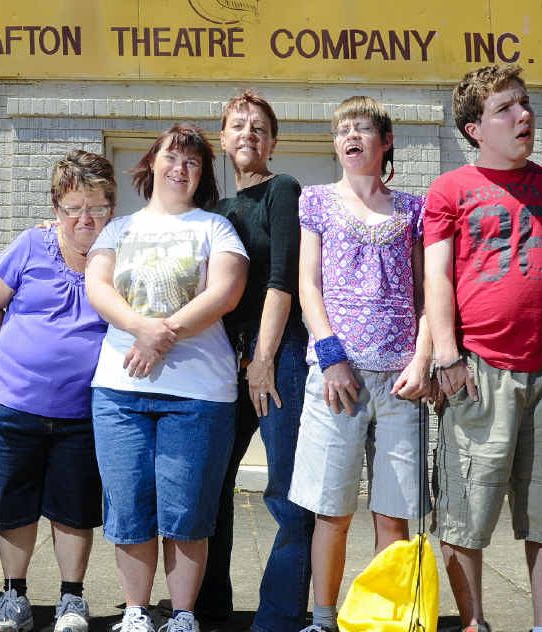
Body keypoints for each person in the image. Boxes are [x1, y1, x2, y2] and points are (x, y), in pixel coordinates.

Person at [423, 64, 542, 632]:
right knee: (464, 508)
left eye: (524, 104)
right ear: (474, 129)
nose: (523, 115)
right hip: (475, 371)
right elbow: (437, 279)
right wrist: (447, 356)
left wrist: (539, 315)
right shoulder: (450, 190)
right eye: (505, 108)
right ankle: (474, 622)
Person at [85, 123, 248, 632]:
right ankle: (135, 611)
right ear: (152, 163)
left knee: (187, 511)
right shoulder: (119, 229)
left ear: (203, 176)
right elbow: (97, 286)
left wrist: (164, 333)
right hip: (120, 391)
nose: (181, 168)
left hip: (198, 394)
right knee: (129, 506)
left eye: (193, 162)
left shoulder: (215, 228)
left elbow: (225, 292)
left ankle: (182, 616)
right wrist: (141, 329)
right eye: (172, 158)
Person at [287, 96, 433, 632]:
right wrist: (331, 357)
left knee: (393, 514)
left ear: (385, 141)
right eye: (342, 129)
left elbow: (426, 294)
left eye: (363, 128)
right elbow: (308, 285)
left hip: (400, 384)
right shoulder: (315, 201)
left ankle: (385, 620)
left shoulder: (414, 210)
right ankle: (323, 618)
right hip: (337, 380)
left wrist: (422, 361)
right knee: (332, 510)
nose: (351, 136)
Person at [0, 150, 116, 632]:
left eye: (96, 206)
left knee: (73, 509)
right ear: (56, 208)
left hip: (82, 411)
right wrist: (20, 354)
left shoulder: (119, 252)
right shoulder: (31, 244)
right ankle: (13, 598)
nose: (84, 218)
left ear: (112, 207)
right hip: (15, 405)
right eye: (73, 207)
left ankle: (71, 600)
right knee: (15, 506)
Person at [195, 90, 314, 632]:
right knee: (213, 483)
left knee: (286, 489)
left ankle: (279, 617)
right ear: (223, 139)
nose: (248, 134)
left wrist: (263, 358)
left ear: (273, 142)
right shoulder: (216, 211)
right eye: (238, 126)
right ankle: (207, 607)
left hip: (279, 354)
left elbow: (282, 279)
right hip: (225, 358)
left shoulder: (282, 190)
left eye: (259, 128)